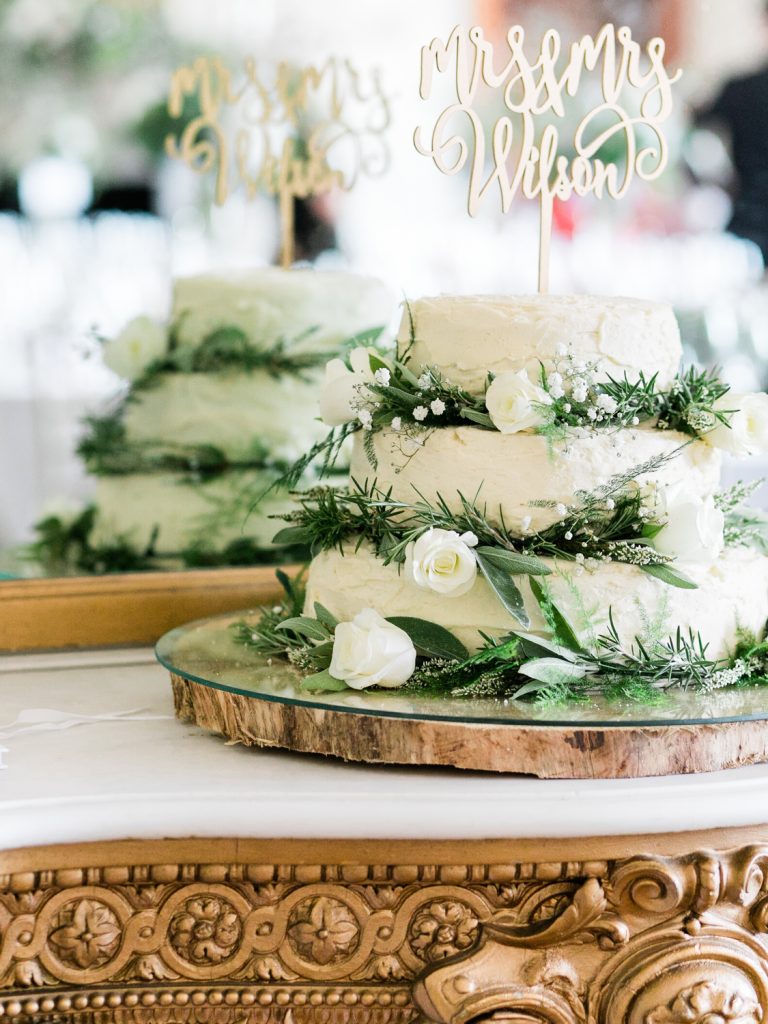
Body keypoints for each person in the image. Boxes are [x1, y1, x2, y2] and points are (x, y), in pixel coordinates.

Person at [697, 22, 768, 262]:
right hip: (747, 223)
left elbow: (696, 136)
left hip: (747, 224)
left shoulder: (739, 89)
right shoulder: (739, 88)